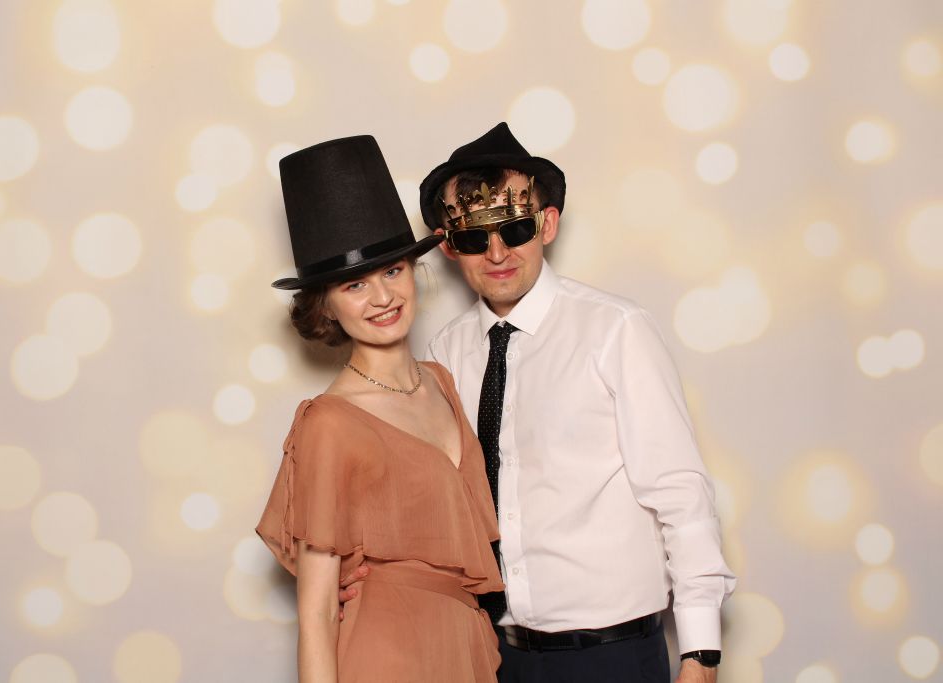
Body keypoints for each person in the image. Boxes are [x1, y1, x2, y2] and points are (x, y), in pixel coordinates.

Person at [416, 123, 737, 683]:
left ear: (547, 224)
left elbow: (680, 492)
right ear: (448, 244)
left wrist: (701, 651)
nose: (496, 252)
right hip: (495, 655)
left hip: (611, 656)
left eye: (514, 228)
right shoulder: (447, 351)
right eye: (473, 237)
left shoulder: (616, 330)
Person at [256, 135, 504, 682]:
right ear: (326, 306)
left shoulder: (442, 381)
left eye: (392, 271)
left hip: (464, 649)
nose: (383, 297)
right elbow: (318, 612)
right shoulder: (328, 423)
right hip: (387, 656)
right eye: (355, 285)